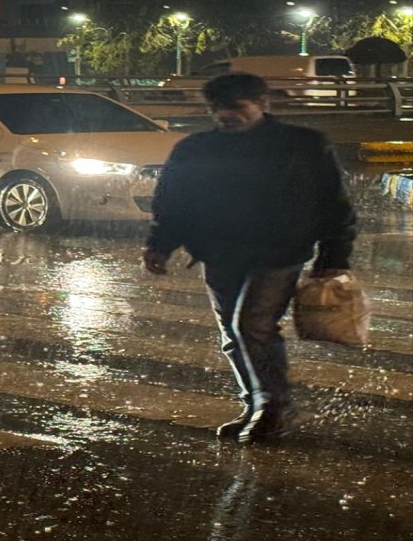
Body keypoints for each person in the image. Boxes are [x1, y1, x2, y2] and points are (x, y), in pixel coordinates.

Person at [143, 72, 355, 444]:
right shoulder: (196, 148)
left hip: (279, 252)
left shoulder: (302, 145)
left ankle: (273, 406)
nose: (226, 115)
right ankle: (257, 404)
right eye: (217, 108)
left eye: (236, 107)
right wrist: (160, 245)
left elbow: (333, 204)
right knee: (233, 332)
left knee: (250, 325)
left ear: (263, 104)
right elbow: (174, 203)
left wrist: (335, 255)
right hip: (220, 253)